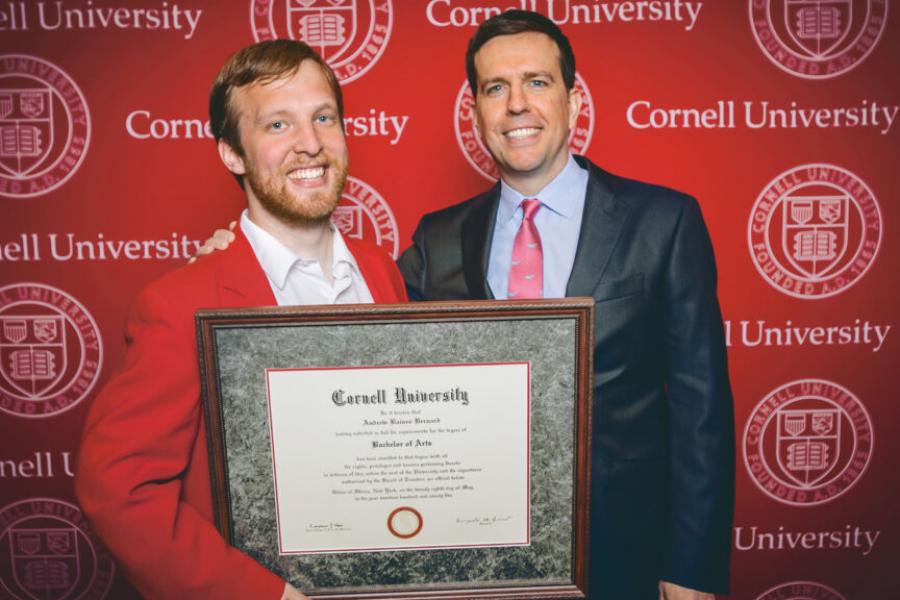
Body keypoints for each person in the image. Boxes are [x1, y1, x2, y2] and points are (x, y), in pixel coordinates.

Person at [396, 11, 734, 600]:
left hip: (625, 552)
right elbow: (352, 330)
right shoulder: (438, 238)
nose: (516, 104)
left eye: (537, 81)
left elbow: (700, 408)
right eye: (495, 88)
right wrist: (253, 244)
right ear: (476, 113)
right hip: (477, 557)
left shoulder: (663, 222)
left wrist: (692, 568)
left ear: (574, 103)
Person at [75, 40, 407, 600]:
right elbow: (118, 487)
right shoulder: (183, 302)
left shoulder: (381, 273)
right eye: (278, 125)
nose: (310, 144)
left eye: (323, 117)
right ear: (232, 153)